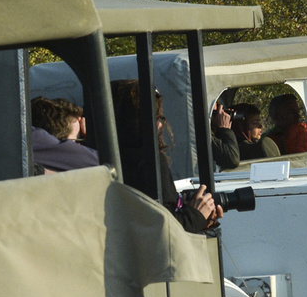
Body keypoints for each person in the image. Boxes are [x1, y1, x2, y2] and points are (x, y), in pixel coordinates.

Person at [111, 79, 222, 233]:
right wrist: (196, 216)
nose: (160, 125)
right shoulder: (148, 162)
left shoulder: (99, 159)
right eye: (156, 117)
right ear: (142, 122)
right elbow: (163, 227)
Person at [29, 96, 100, 172]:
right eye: (79, 140)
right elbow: (108, 165)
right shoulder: (37, 138)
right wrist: (96, 140)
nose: (81, 148)